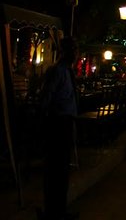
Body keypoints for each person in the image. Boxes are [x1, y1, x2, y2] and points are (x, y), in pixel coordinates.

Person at [38, 35, 79, 220]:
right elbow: (46, 97)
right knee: (55, 169)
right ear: (65, 51)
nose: (75, 54)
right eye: (72, 50)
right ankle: (52, 211)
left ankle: (60, 209)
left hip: (66, 122)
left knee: (62, 169)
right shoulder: (57, 71)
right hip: (57, 124)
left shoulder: (68, 71)